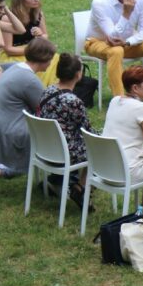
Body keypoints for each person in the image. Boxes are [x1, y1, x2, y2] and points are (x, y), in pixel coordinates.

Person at [0, 38, 57, 178]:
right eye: (50, 59)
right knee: (57, 137)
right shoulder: (29, 80)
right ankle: (58, 179)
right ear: (44, 58)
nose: (51, 63)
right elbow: (46, 110)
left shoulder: (16, 67)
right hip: (8, 131)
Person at [103, 65, 143, 223]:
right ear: (135, 88)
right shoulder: (141, 108)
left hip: (105, 167)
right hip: (125, 171)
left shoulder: (115, 100)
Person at [38, 53, 94, 209]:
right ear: (78, 74)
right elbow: (87, 132)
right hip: (64, 153)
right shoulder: (73, 102)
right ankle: (81, 189)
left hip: (44, 148)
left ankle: (57, 181)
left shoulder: (48, 90)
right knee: (100, 149)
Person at [0, 0, 59, 87]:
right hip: (16, 54)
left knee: (54, 57)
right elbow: (8, 49)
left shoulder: (38, 13)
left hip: (33, 49)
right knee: (38, 61)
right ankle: (38, 91)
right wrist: (34, 51)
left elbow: (45, 36)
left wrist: (41, 36)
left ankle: (51, 90)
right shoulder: (8, 18)